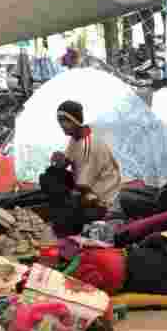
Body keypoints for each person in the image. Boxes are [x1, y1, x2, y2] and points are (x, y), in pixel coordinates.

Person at [47, 101, 122, 236]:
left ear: (76, 120)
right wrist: (59, 159)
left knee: (65, 213)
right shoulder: (75, 138)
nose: (62, 125)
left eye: (66, 120)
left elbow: (83, 186)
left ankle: (71, 230)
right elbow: (66, 162)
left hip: (102, 198)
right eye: (60, 121)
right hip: (86, 187)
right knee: (50, 176)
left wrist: (66, 202)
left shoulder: (89, 145)